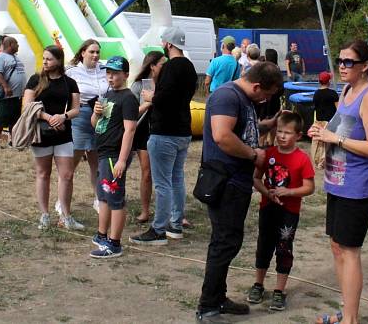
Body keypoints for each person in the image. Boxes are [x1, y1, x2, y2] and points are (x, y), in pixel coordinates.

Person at [196, 62, 283, 322]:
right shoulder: (226, 96)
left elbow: (243, 127)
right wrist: (253, 154)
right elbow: (222, 135)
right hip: (226, 182)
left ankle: (218, 297)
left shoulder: (242, 99)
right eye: (266, 94)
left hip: (236, 182)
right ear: (257, 86)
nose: (266, 99)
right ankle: (208, 306)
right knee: (225, 242)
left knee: (229, 240)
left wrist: (266, 125)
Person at [307, 39, 368, 324]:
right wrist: (323, 129)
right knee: (337, 246)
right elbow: (346, 128)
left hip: (358, 185)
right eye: (340, 60)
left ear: (364, 66)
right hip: (337, 180)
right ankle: (346, 311)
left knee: (350, 250)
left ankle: (351, 319)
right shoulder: (348, 89)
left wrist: (335, 138)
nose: (342, 66)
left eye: (349, 62)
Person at [131, 26, 198, 245]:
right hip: (183, 130)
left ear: (168, 44)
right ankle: (175, 224)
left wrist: (151, 96)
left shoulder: (170, 67)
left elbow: (165, 97)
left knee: (162, 183)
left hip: (165, 131)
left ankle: (158, 229)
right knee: (177, 178)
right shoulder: (189, 67)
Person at [247, 111, 315, 312]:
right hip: (268, 208)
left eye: (287, 133)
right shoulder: (268, 154)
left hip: (289, 212)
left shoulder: (302, 159)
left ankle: (279, 290)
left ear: (298, 136)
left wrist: (289, 191)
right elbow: (256, 178)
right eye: (280, 132)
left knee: (284, 248)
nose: (282, 136)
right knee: (264, 245)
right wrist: (267, 193)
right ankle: (258, 284)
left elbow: (309, 187)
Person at [23, 45, 81, 230]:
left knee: (67, 174)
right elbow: (27, 106)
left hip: (64, 134)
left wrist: (63, 116)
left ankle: (66, 216)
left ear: (59, 60)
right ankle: (44, 215)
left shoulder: (69, 82)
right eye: (44, 58)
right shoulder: (35, 80)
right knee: (43, 173)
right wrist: (48, 117)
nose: (45, 62)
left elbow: (76, 109)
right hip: (41, 134)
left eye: (49, 59)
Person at [89, 56, 139, 259]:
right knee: (103, 196)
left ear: (126, 75)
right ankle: (102, 234)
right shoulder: (109, 94)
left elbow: (130, 130)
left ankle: (115, 243)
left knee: (115, 198)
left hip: (114, 154)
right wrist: (95, 113)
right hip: (103, 152)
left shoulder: (128, 98)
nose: (111, 77)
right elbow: (96, 124)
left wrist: (121, 159)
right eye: (108, 73)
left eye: (116, 73)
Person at [66, 39, 108, 214]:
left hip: (101, 115)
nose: (95, 55)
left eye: (98, 52)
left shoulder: (105, 70)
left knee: (97, 162)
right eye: (92, 52)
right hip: (81, 116)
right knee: (72, 162)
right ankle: (63, 201)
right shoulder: (72, 72)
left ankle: (99, 198)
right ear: (82, 53)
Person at [130, 51, 167, 224]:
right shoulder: (138, 86)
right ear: (152, 66)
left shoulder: (167, 83)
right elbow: (131, 113)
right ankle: (145, 211)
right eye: (162, 63)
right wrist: (149, 102)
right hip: (144, 130)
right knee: (147, 172)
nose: (165, 66)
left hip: (164, 128)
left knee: (168, 173)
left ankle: (174, 213)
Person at [0, 36, 26, 150]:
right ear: (10, 44)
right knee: (1, 119)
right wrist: (6, 86)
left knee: (14, 119)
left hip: (16, 96)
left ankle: (13, 142)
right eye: (16, 43)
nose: (18, 46)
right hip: (6, 95)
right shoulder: (0, 57)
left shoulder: (15, 57)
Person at [311, 71, 339, 169]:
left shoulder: (316, 93)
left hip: (319, 121)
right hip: (329, 121)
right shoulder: (333, 94)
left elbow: (315, 107)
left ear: (319, 81)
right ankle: (324, 161)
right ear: (329, 82)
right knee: (328, 142)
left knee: (318, 142)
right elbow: (338, 109)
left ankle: (317, 161)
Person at [258, 48, 283, 147]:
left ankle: (261, 143)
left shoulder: (267, 70)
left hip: (267, 100)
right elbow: (281, 88)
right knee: (273, 121)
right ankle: (271, 142)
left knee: (264, 120)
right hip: (275, 101)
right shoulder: (278, 69)